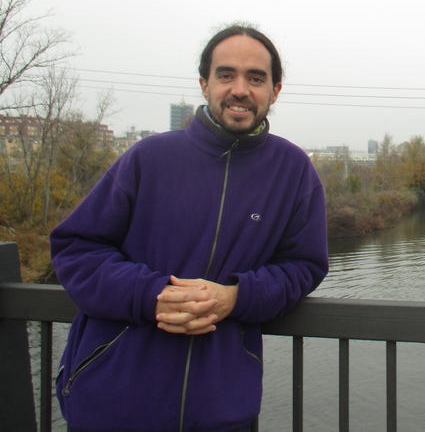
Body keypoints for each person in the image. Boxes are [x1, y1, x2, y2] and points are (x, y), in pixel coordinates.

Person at [50, 25, 329, 432]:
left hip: (220, 410)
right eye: (226, 74)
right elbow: (75, 249)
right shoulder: (148, 158)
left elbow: (304, 266)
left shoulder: (293, 171)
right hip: (112, 400)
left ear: (275, 90)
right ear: (204, 84)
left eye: (256, 78)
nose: (240, 89)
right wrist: (151, 294)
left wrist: (237, 297)